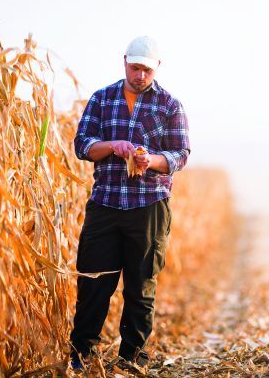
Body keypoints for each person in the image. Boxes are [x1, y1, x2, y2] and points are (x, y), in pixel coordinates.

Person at [70, 36, 190, 370]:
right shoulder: (101, 99)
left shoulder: (169, 105)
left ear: (157, 68)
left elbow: (181, 154)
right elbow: (83, 145)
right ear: (125, 61)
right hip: (105, 204)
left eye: (146, 70)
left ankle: (131, 358)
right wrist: (114, 145)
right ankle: (81, 357)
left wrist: (150, 160)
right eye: (135, 68)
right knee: (93, 283)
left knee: (141, 286)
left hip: (149, 206)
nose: (140, 75)